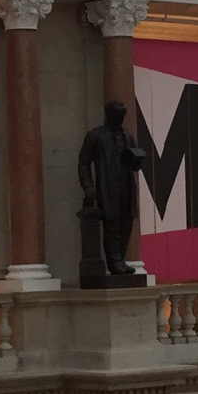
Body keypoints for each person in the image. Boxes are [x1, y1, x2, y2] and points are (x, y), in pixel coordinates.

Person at [77, 99, 147, 275]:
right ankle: (114, 262)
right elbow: (84, 163)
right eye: (117, 115)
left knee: (126, 223)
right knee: (112, 224)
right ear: (109, 115)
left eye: (122, 116)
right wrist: (88, 187)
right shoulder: (95, 136)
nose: (120, 119)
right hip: (107, 186)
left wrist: (137, 160)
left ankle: (120, 260)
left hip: (127, 186)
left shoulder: (127, 136)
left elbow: (135, 165)